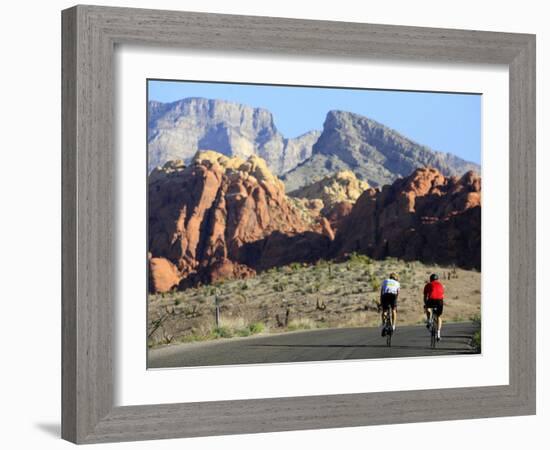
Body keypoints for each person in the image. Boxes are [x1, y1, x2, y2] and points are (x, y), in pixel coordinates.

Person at [424, 273, 445, 341]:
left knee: (427, 308)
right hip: (439, 301)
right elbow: (442, 295)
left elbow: (425, 296)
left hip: (431, 300)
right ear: (437, 279)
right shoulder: (441, 285)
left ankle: (429, 320)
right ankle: (438, 334)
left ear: (430, 279)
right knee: (439, 316)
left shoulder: (428, 285)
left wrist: (425, 304)